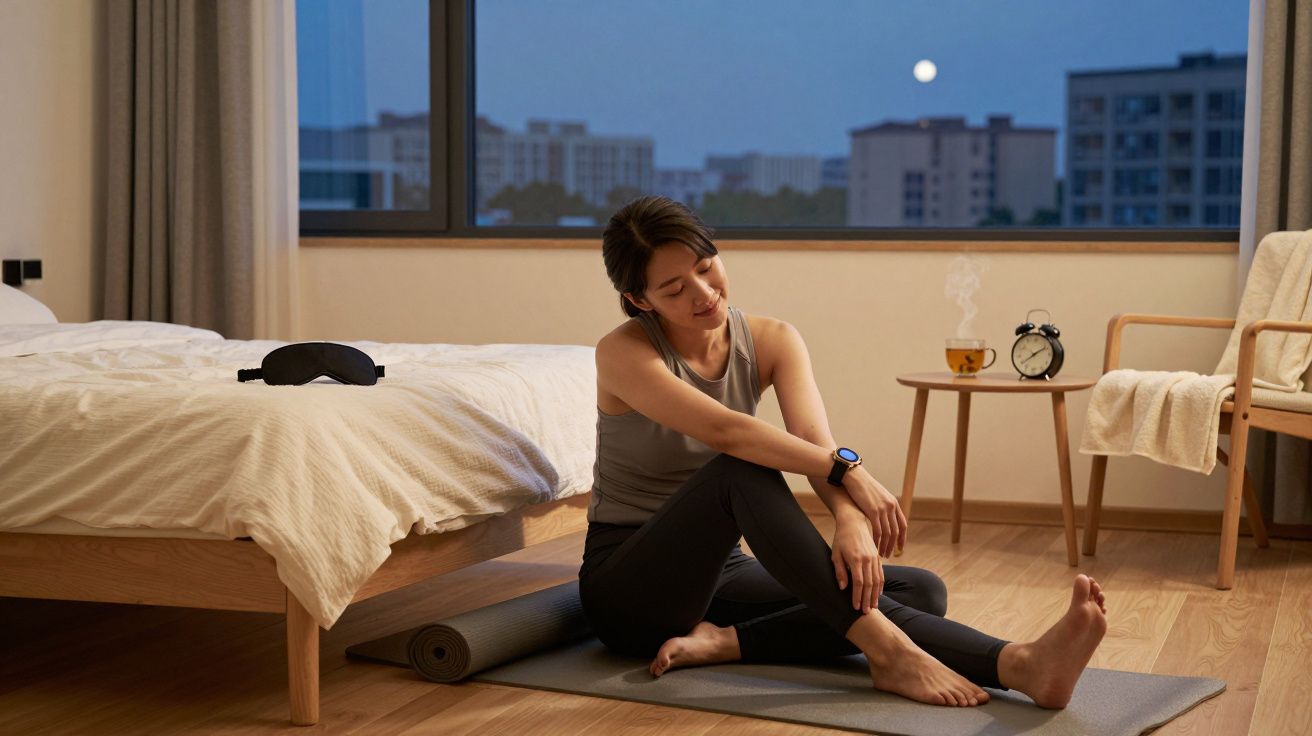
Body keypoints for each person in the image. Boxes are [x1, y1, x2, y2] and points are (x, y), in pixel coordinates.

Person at [578, 195, 1107, 708]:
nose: (703, 293)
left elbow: (814, 441)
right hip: (631, 588)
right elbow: (730, 433)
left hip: (723, 573)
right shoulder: (622, 352)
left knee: (915, 590)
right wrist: (850, 473)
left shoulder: (772, 339)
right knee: (740, 467)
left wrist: (848, 519)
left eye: (706, 266)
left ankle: (1021, 665)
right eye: (674, 289)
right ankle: (898, 654)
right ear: (640, 301)